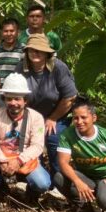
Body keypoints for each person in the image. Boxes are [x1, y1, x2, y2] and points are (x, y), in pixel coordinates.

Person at [0, 73, 51, 201]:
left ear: (25, 100)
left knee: (43, 183)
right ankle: (1, 190)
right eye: (9, 99)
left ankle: (31, 194)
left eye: (17, 99)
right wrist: (1, 160)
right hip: (2, 160)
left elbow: (37, 145)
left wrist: (19, 161)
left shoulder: (36, 118)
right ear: (4, 99)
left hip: (25, 161)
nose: (13, 103)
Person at [15, 33, 77, 176]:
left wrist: (53, 118)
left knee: (53, 140)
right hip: (30, 115)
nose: (35, 53)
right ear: (27, 52)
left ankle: (59, 180)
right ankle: (35, 178)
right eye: (32, 50)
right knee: (24, 142)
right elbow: (14, 94)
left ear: (46, 52)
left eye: (39, 50)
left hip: (56, 115)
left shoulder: (58, 68)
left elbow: (70, 96)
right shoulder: (21, 68)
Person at [0, 17, 25, 83]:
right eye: (6, 31)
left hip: (18, 89)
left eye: (12, 31)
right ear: (1, 32)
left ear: (18, 32)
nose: (9, 34)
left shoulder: (24, 50)